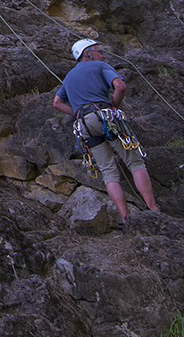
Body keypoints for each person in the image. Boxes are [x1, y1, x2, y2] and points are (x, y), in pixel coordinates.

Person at [52, 38, 161, 228]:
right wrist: (113, 106)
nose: (103, 54)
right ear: (87, 54)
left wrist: (78, 113)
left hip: (84, 125)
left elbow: (56, 103)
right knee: (134, 161)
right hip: (105, 116)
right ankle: (153, 210)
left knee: (109, 172)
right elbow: (120, 86)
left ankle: (126, 219)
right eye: (98, 51)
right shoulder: (100, 65)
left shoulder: (68, 77)